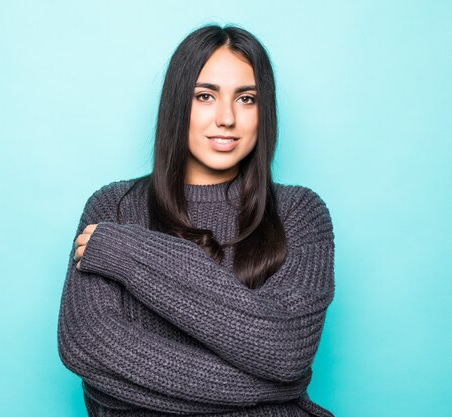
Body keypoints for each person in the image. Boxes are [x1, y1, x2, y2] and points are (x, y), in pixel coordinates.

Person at [57, 23, 335, 417]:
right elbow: (89, 348)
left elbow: (285, 351)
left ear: (264, 110)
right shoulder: (113, 207)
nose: (226, 118)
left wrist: (134, 253)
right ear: (177, 104)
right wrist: (275, 388)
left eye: (247, 99)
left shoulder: (299, 212)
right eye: (205, 96)